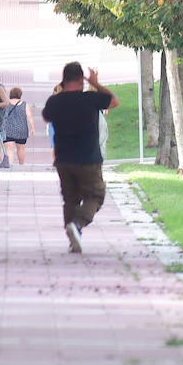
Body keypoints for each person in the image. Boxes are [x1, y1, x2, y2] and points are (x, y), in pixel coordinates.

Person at [42, 62, 119, 253]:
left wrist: (61, 95)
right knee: (95, 195)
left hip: (63, 159)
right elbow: (114, 102)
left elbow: (46, 117)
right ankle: (76, 226)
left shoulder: (55, 102)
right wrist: (96, 83)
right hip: (88, 159)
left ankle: (73, 240)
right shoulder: (91, 99)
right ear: (81, 80)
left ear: (64, 79)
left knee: (70, 199)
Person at [2, 86, 37, 166]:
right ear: (20, 94)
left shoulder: (6, 103)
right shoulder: (25, 104)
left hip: (8, 129)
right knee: (21, 149)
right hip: (22, 129)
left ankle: (10, 165)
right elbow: (30, 117)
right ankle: (21, 165)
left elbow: (2, 116)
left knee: (9, 148)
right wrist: (32, 128)